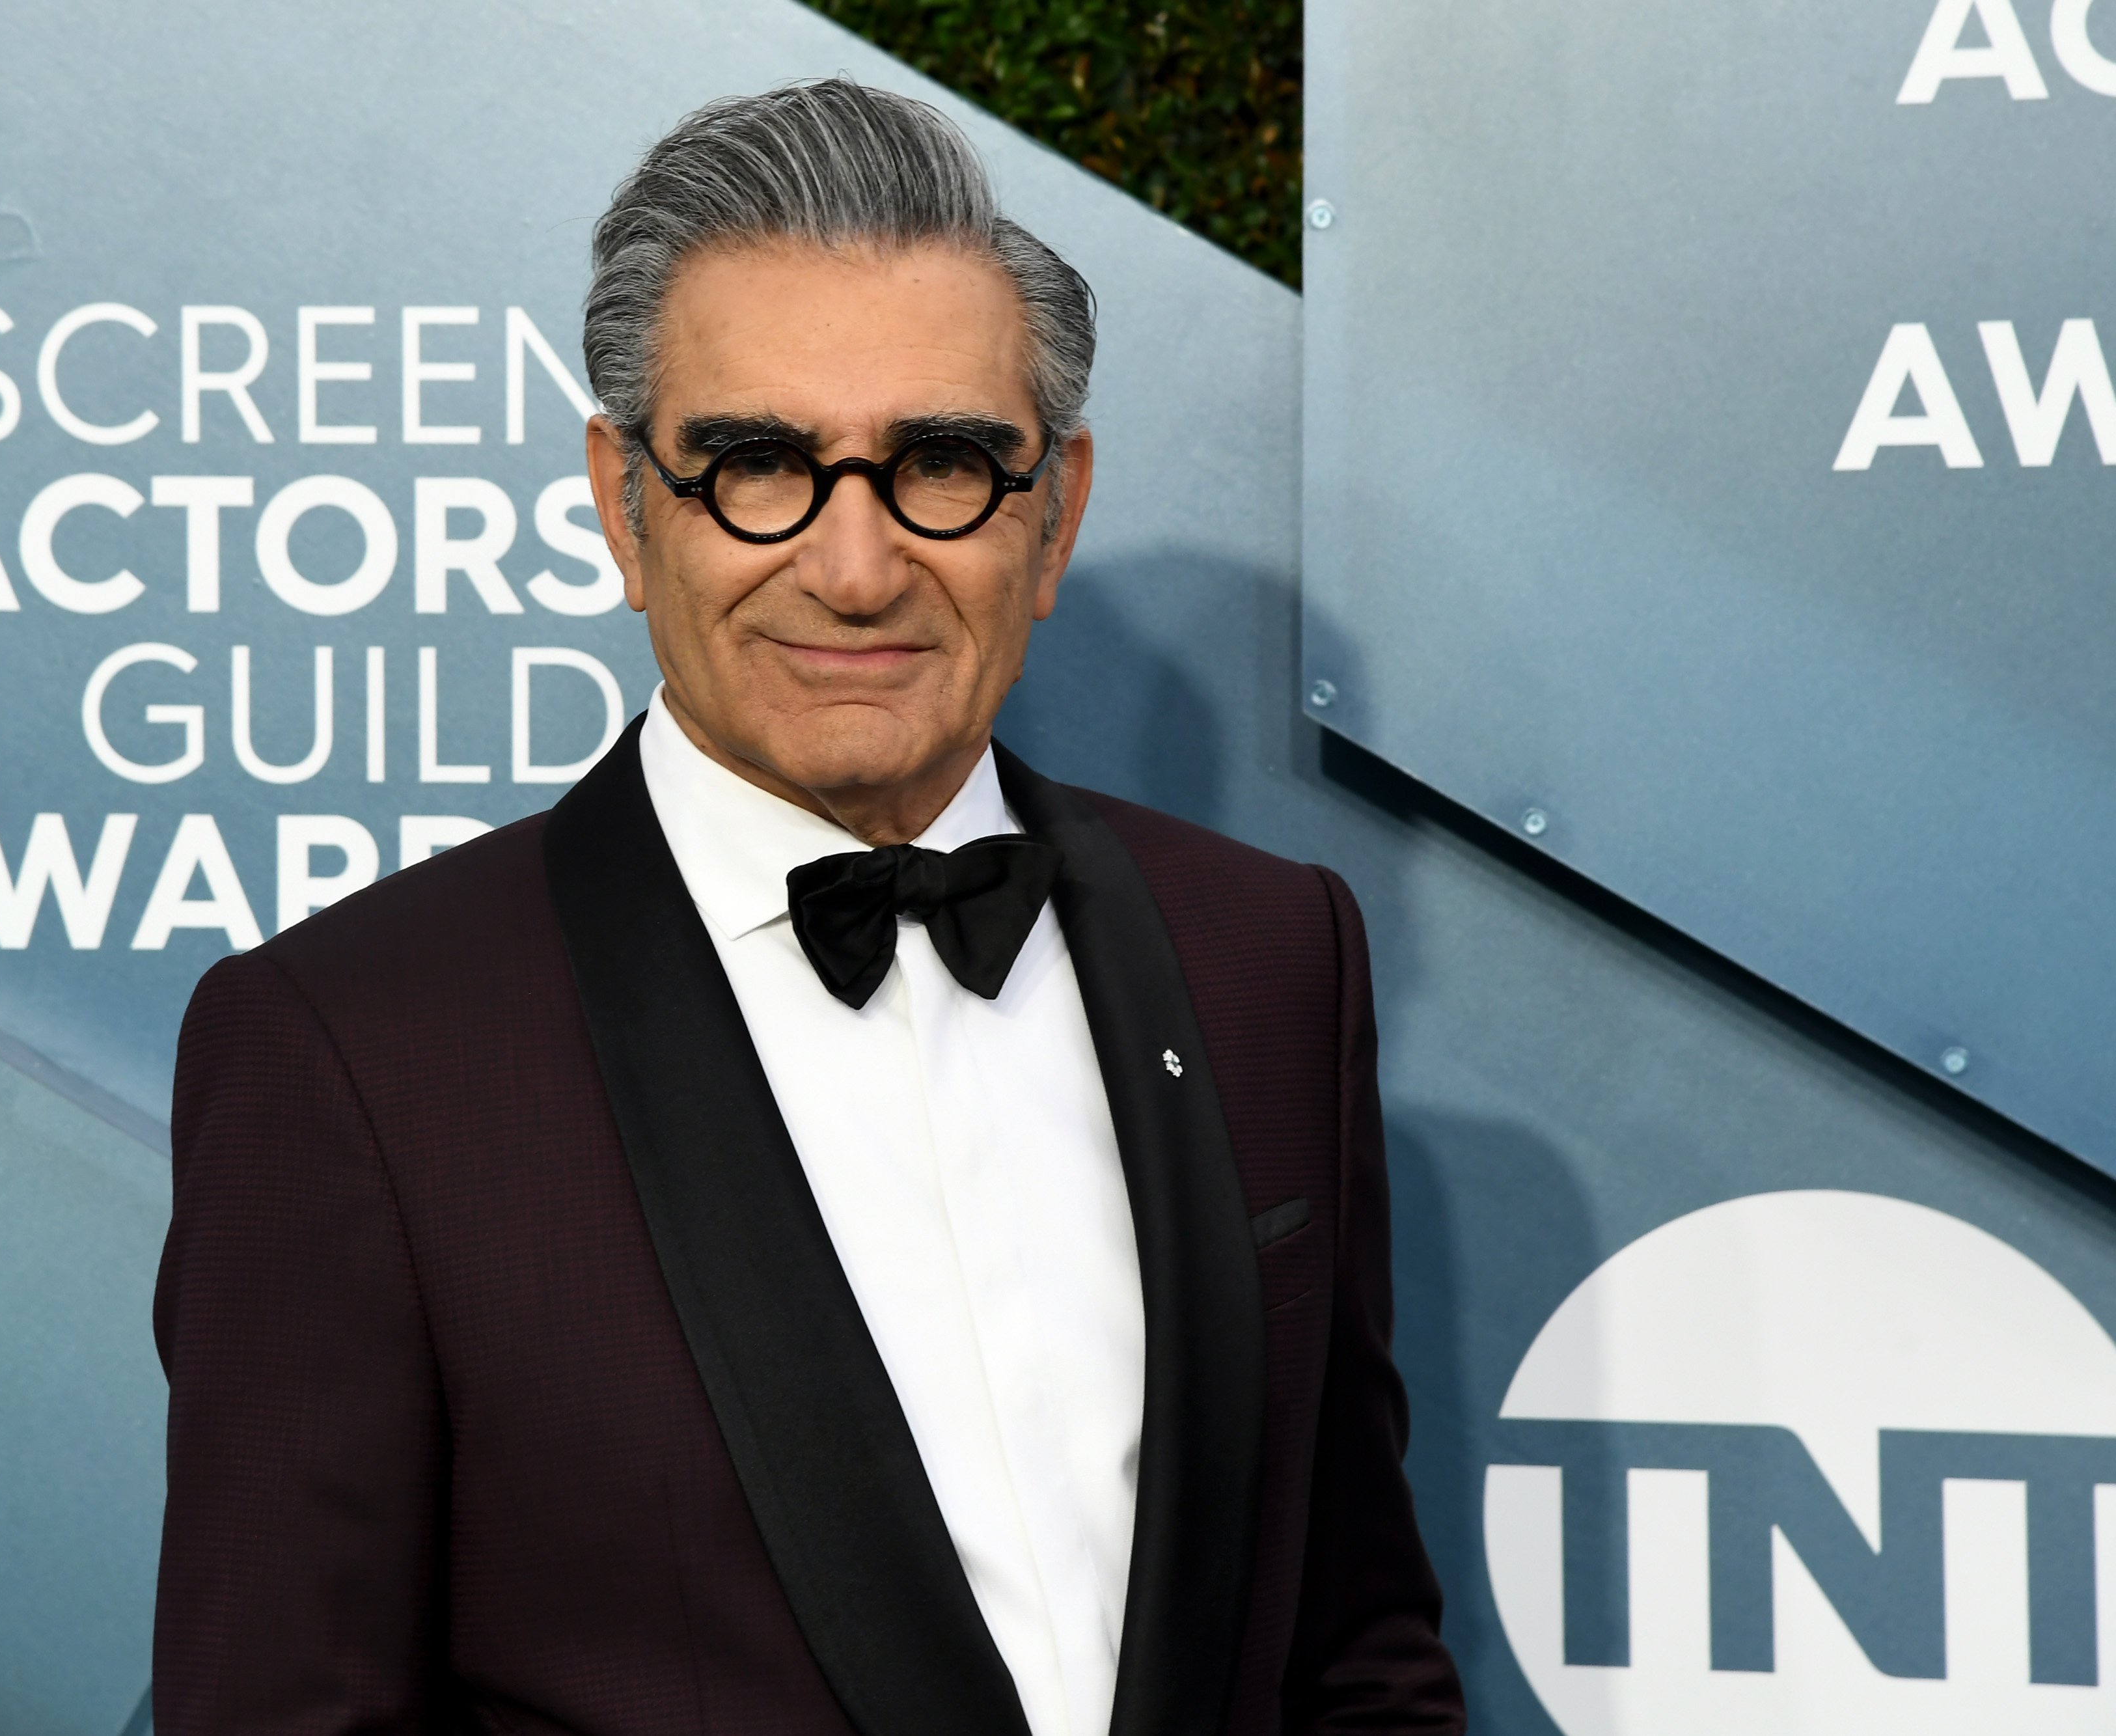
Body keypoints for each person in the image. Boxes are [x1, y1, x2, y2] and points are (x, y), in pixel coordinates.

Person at [153, 79, 1463, 1736]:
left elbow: (1352, 1648)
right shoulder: (354, 1053)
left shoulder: (1268, 953)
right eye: (757, 465)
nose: (852, 567)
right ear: (625, 505)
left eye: (942, 462)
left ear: (1050, 517)